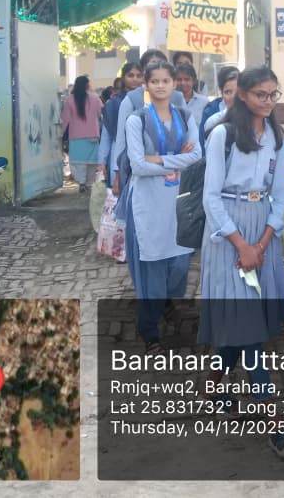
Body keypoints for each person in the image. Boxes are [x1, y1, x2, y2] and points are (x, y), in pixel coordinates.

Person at [197, 66, 284, 456]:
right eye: (261, 94)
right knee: (249, 332)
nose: (268, 101)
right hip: (227, 233)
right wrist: (242, 245)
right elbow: (211, 198)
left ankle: (211, 386)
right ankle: (275, 423)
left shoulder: (277, 137)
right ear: (242, 94)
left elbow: (280, 192)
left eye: (274, 94)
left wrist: (264, 241)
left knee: (246, 323)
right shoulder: (222, 135)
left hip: (263, 233)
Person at [123, 61, 201, 350]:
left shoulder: (185, 116)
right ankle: (149, 330)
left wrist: (157, 158)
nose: (160, 86)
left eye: (165, 80)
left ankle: (167, 304)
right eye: (154, 81)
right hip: (148, 202)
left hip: (178, 202)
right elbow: (138, 166)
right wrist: (175, 160)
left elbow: (197, 156)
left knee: (180, 265)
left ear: (173, 84)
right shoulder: (137, 121)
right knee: (152, 269)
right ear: (146, 85)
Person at [111, 49, 187, 196]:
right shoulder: (131, 99)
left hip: (175, 169)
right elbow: (121, 139)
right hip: (141, 171)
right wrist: (118, 173)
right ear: (144, 71)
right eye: (152, 65)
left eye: (161, 65)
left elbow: (187, 133)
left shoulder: (177, 97)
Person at [99, 62, 143, 188]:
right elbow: (106, 135)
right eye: (131, 75)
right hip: (118, 152)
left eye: (138, 75)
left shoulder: (149, 100)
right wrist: (102, 162)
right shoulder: (113, 103)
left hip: (143, 153)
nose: (135, 79)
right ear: (123, 78)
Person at [60, 75, 104, 192]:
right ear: (87, 85)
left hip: (76, 136)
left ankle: (82, 182)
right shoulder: (95, 98)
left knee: (78, 162)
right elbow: (101, 112)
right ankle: (89, 183)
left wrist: (60, 134)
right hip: (92, 134)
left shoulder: (70, 100)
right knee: (91, 162)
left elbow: (65, 119)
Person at [199, 65, 239, 153]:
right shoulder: (211, 113)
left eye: (237, 92)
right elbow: (203, 146)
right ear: (221, 92)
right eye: (228, 92)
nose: (233, 97)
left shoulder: (253, 115)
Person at [175, 62, 208, 128]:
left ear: (194, 81)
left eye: (187, 79)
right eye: (179, 79)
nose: (183, 83)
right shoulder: (169, 101)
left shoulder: (204, 102)